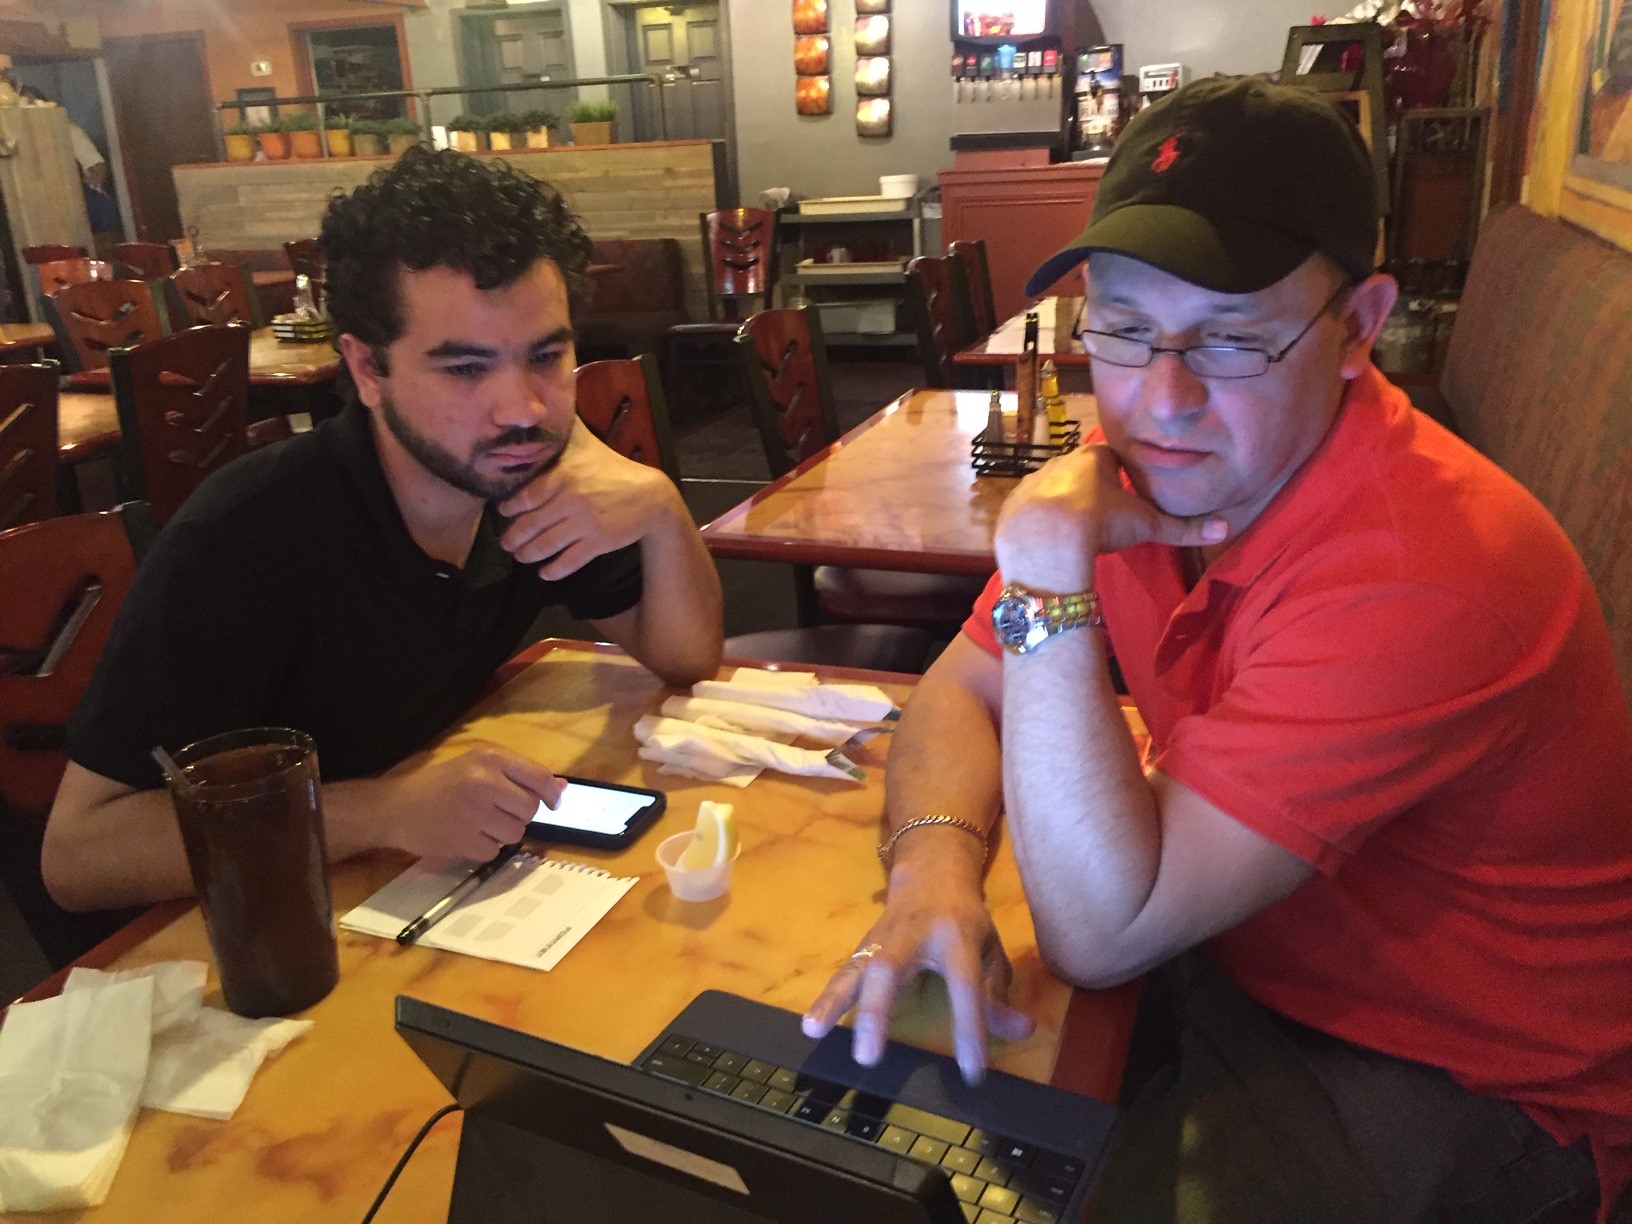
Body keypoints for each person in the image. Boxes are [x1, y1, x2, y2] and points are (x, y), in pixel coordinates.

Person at [804, 77, 1632, 1223]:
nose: (1160, 398)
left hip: (1473, 1076)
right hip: (1238, 952)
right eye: (1127, 328)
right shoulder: (1147, 467)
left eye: (1233, 340)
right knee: (863, 1122)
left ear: (1360, 324)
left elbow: (1099, 936)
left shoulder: (1421, 568)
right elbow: (963, 686)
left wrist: (1045, 570)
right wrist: (934, 868)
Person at [43, 146, 723, 912]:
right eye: (465, 369)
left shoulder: (526, 480)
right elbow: (78, 854)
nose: (523, 409)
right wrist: (384, 810)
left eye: (547, 356)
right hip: (234, 937)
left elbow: (684, 655)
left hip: (407, 898)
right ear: (367, 371)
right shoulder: (246, 539)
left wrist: (661, 505)